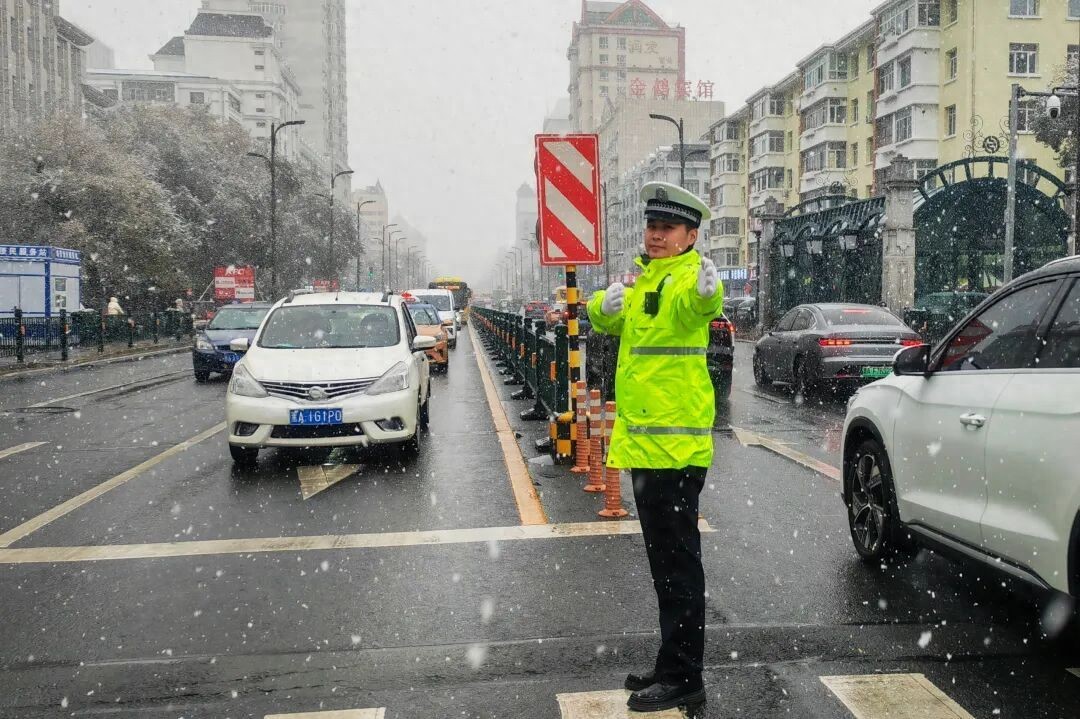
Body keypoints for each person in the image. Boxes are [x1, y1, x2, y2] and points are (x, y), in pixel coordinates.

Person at [587, 181, 723, 715]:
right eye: (652, 226)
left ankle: (686, 676)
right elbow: (610, 318)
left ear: (691, 236)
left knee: (678, 567)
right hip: (647, 449)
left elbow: (698, 306)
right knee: (665, 567)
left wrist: (709, 295)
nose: (656, 235)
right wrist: (602, 303)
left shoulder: (688, 277)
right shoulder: (646, 276)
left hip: (675, 451)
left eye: (668, 228)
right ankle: (671, 665)